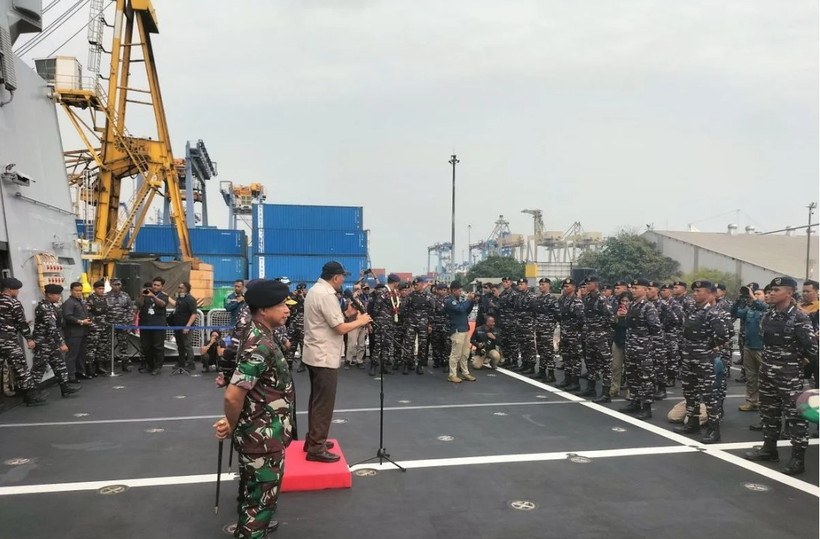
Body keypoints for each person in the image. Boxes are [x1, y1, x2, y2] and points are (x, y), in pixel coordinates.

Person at [213, 280, 295, 538]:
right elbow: (233, 395)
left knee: (254, 499)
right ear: (263, 309)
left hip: (263, 433)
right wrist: (233, 424)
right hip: (261, 437)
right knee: (258, 508)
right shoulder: (259, 344)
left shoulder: (261, 334)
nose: (287, 309)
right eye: (281, 304)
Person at [745, 276, 818, 475]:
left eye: (776, 291)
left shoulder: (800, 317)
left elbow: (812, 348)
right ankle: (769, 449)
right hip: (767, 372)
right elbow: (765, 341)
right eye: (770, 291)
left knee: (794, 417)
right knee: (769, 412)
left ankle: (797, 458)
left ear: (789, 293)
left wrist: (795, 363)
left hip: (789, 375)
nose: (771, 293)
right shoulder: (769, 315)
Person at [301, 261, 372, 462]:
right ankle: (316, 447)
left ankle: (313, 439)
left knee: (316, 401)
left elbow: (329, 320)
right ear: (335, 277)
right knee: (324, 404)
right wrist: (360, 320)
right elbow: (339, 328)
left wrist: (347, 314)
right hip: (323, 356)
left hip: (314, 353)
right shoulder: (326, 295)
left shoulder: (316, 291)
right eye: (342, 277)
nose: (344, 280)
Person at [673, 280, 730, 442]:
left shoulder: (713, 313)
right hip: (689, 357)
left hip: (704, 359)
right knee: (690, 392)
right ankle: (692, 422)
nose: (696, 294)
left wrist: (708, 347)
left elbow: (722, 336)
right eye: (695, 291)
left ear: (710, 294)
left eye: (700, 291)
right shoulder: (692, 311)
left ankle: (714, 429)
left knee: (709, 394)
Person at [0, 278, 47, 405]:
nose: (18, 292)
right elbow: (20, 323)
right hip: (8, 341)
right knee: (21, 368)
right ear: (10, 290)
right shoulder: (14, 303)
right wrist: (29, 339)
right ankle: (30, 397)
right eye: (17, 289)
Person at [621, 279, 662, 420]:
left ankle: (646, 407)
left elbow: (655, 328)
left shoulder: (648, 307)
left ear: (645, 290)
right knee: (632, 376)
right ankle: (635, 402)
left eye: (637, 288)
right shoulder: (632, 305)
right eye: (632, 288)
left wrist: (646, 342)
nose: (633, 290)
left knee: (645, 378)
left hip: (643, 348)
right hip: (631, 346)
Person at [31, 284, 81, 398]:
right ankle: (32, 394)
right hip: (43, 342)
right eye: (57, 294)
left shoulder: (51, 306)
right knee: (39, 368)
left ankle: (65, 388)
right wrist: (61, 343)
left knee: (59, 365)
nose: (59, 296)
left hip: (50, 342)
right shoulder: (44, 308)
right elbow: (51, 328)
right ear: (49, 295)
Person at [731, 284, 767, 413]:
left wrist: (753, 298)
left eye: (758, 294)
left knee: (765, 378)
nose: (755, 296)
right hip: (749, 347)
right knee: (751, 377)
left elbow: (764, 307)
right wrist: (739, 299)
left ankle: (765, 404)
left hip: (762, 348)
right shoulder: (750, 309)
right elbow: (735, 313)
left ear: (766, 297)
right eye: (754, 293)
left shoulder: (768, 309)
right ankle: (752, 401)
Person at [580, 275, 615, 401]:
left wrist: (598, 326)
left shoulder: (602, 299)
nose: (587, 286)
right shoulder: (587, 298)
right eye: (587, 284)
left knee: (606, 365)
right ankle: (591, 388)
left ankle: (606, 393)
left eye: (590, 284)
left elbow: (610, 318)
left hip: (600, 336)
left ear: (596, 284)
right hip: (590, 335)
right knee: (591, 363)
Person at [444, 281, 477, 383]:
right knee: (456, 353)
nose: (461, 292)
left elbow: (466, 310)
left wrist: (471, 302)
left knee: (465, 353)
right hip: (457, 329)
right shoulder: (450, 301)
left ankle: (465, 372)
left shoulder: (459, 301)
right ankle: (452, 374)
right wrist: (468, 300)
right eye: (459, 290)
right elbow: (460, 309)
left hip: (464, 328)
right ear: (453, 290)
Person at [556, 278, 585, 391]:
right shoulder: (562, 300)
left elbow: (581, 319)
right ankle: (567, 379)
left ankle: (575, 381)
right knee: (566, 357)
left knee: (575, 358)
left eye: (568, 286)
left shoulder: (576, 301)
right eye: (564, 286)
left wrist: (575, 330)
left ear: (573, 287)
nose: (565, 288)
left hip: (574, 333)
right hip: (565, 332)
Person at [137, 277, 169, 376]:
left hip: (158, 325)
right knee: (146, 346)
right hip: (145, 324)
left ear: (162, 287)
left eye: (157, 285)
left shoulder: (164, 296)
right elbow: (139, 304)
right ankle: (150, 365)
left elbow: (162, 304)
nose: (155, 287)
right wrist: (143, 296)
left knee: (158, 346)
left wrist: (153, 297)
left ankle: (157, 366)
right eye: (154, 284)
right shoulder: (146, 294)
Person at [62, 281, 92, 380]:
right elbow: (67, 316)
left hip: (82, 332)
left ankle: (80, 372)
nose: (79, 293)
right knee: (72, 355)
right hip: (73, 333)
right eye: (76, 291)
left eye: (80, 291)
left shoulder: (80, 302)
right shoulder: (69, 303)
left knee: (81, 354)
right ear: (71, 291)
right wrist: (81, 321)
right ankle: (70, 375)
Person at [532, 278, 559, 382]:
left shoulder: (552, 299)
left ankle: (551, 373)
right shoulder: (538, 299)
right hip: (539, 327)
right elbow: (535, 314)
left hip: (547, 328)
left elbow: (557, 314)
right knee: (541, 349)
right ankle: (542, 370)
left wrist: (551, 325)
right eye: (540, 284)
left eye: (543, 284)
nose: (541, 286)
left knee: (548, 351)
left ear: (548, 286)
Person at [106, 278, 135, 372]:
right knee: (108, 345)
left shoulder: (125, 295)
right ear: (111, 285)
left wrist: (130, 323)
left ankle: (124, 364)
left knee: (123, 345)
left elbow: (130, 309)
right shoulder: (106, 296)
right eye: (115, 284)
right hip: (110, 324)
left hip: (123, 324)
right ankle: (109, 365)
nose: (117, 286)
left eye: (119, 284)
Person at [169, 281, 197, 372]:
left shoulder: (190, 299)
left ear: (186, 289)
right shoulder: (180, 298)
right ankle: (181, 362)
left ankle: (190, 363)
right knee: (180, 345)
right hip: (178, 325)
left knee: (187, 345)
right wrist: (167, 297)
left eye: (180, 288)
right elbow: (176, 305)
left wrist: (187, 326)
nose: (179, 289)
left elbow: (194, 314)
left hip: (186, 325)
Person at [85, 279, 110, 375]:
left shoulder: (105, 299)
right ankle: (89, 368)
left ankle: (100, 367)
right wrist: (93, 325)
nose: (101, 290)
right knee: (91, 348)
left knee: (102, 348)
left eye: (103, 288)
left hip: (104, 327)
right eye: (99, 289)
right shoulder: (89, 300)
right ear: (94, 289)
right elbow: (87, 314)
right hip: (94, 328)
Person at [610, 292, 631, 399]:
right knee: (615, 366)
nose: (624, 303)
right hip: (618, 340)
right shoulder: (616, 309)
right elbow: (611, 324)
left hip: (630, 342)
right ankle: (615, 388)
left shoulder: (634, 311)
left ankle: (630, 390)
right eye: (622, 301)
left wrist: (628, 315)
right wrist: (617, 317)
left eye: (627, 301)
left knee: (630, 368)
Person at [429, 283, 452, 369]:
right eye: (440, 290)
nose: (442, 292)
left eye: (444, 290)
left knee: (446, 345)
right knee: (435, 344)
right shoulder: (433, 299)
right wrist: (430, 324)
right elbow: (431, 312)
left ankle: (445, 361)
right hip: (436, 325)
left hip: (446, 325)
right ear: (437, 290)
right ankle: (436, 360)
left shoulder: (450, 300)